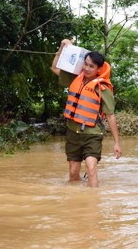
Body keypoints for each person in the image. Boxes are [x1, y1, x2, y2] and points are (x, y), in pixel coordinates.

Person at [51, 39, 122, 187]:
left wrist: (117, 143)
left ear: (99, 69)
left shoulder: (102, 88)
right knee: (73, 174)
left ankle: (93, 205)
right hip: (72, 132)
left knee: (91, 169)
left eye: (92, 66)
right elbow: (54, 68)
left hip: (92, 134)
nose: (87, 69)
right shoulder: (75, 78)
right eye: (86, 64)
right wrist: (61, 48)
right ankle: (78, 203)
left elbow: (110, 115)